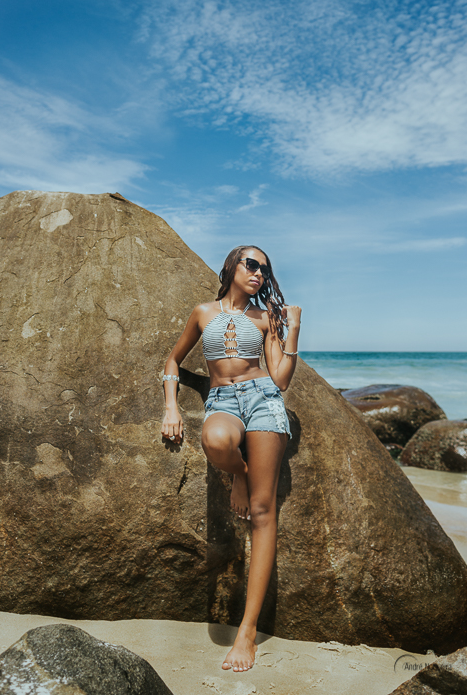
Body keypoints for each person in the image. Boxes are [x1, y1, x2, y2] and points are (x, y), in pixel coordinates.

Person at [161, 245, 301, 673]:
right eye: (251, 265)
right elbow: (173, 360)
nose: (258, 274)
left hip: (264, 401)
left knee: (263, 511)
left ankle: (247, 632)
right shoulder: (203, 312)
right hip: (222, 400)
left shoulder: (266, 317)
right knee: (216, 440)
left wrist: (293, 330)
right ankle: (241, 473)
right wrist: (170, 407)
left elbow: (280, 379)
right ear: (231, 267)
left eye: (265, 270)